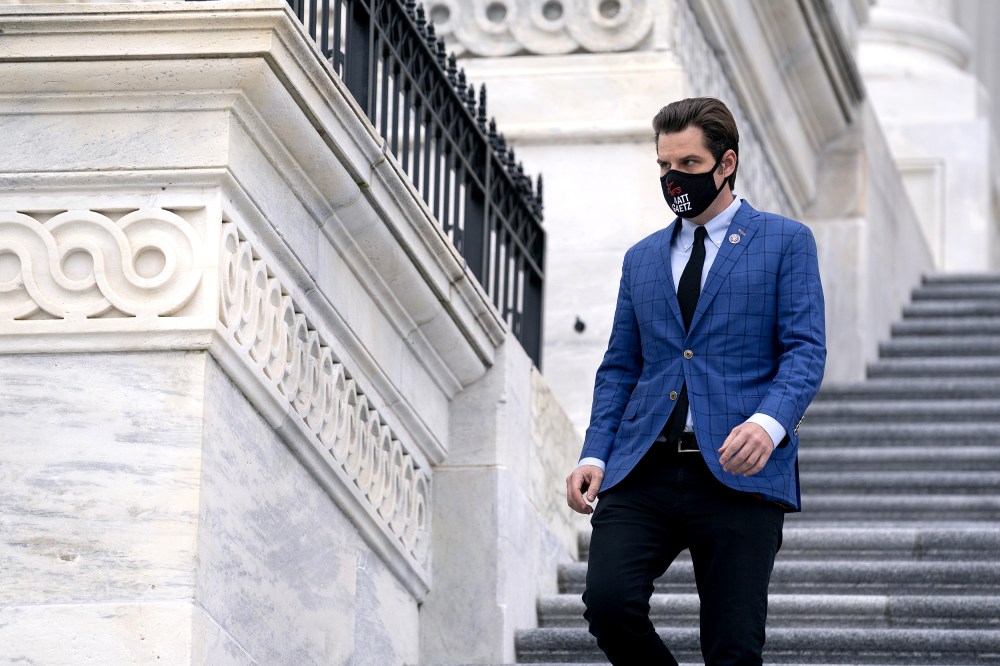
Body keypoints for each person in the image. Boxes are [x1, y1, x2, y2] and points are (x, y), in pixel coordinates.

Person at [565, 97, 826, 665]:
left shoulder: (785, 242)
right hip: (645, 466)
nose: (673, 178)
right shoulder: (642, 258)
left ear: (725, 163)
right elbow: (620, 367)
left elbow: (805, 350)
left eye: (687, 165)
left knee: (733, 649)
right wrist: (595, 454)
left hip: (739, 471)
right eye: (664, 166)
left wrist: (769, 425)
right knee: (608, 604)